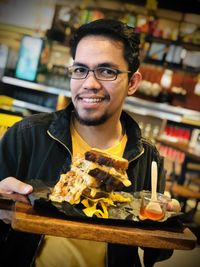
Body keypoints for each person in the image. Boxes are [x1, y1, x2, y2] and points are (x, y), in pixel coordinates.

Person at [0, 19, 173, 267]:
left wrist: (163, 219)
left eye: (106, 71)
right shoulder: (26, 135)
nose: (89, 84)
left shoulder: (147, 156)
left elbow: (155, 251)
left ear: (132, 83)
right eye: (80, 70)